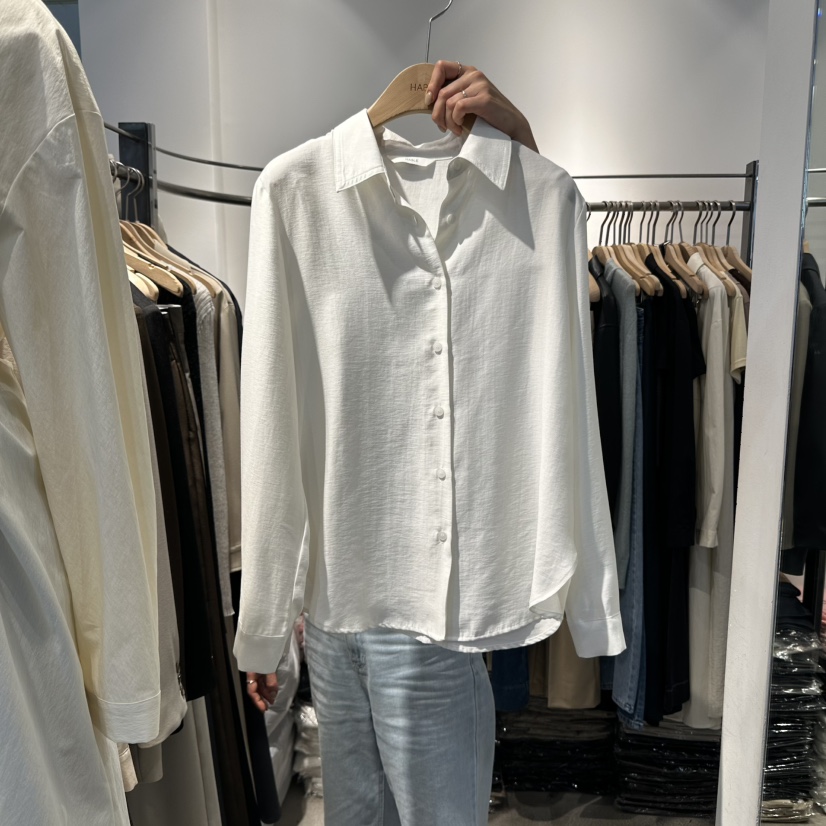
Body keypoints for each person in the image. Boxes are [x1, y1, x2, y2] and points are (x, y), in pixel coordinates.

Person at [247, 61, 541, 825]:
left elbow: (534, 329)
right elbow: (274, 420)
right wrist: (268, 623)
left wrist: (519, 144)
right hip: (335, 610)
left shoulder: (504, 202)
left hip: (426, 612)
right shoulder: (292, 194)